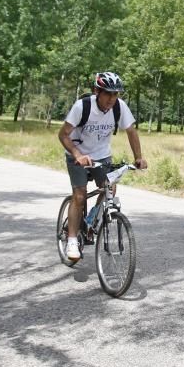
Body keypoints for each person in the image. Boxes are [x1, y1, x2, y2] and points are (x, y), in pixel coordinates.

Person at [58, 71, 147, 262]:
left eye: (115, 94)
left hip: (102, 156)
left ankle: (90, 220)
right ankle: (72, 239)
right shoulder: (82, 106)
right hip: (78, 155)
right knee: (80, 195)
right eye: (108, 93)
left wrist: (138, 158)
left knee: (110, 188)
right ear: (97, 91)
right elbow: (63, 134)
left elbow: (131, 131)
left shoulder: (119, 107)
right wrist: (78, 155)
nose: (112, 99)